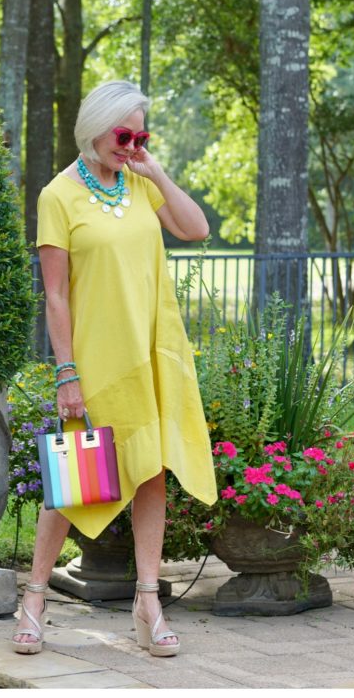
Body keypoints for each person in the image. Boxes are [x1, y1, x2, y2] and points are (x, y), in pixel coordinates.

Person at [12, 80, 216, 657]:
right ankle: (33, 598)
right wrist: (67, 372)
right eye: (124, 134)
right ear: (94, 129)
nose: (131, 145)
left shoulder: (138, 184)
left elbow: (195, 229)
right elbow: (56, 296)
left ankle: (147, 603)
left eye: (140, 135)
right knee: (71, 485)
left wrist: (155, 171)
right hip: (95, 362)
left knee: (151, 472)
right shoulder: (59, 195)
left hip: (148, 353)